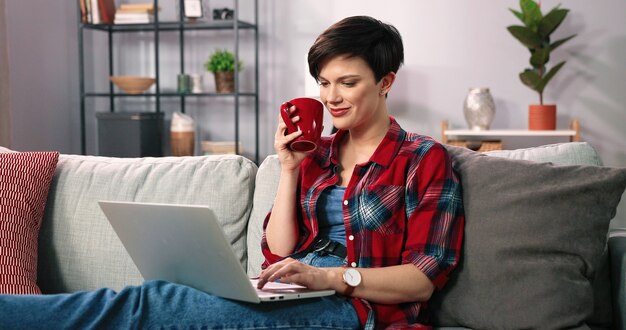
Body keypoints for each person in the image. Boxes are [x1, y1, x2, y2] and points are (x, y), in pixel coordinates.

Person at [0, 16, 463, 329]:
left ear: (385, 82)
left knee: (154, 304)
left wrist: (331, 278)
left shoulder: (424, 159)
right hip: (294, 290)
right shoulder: (316, 155)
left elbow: (422, 278)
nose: (331, 97)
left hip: (356, 310)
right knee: (166, 293)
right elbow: (277, 250)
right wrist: (287, 170)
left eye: (348, 82)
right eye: (323, 82)